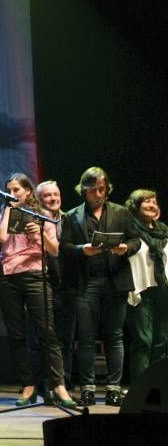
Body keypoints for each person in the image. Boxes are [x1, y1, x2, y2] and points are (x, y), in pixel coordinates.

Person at [0, 173, 76, 408]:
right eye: (9, 190)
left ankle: (58, 385)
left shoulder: (41, 215)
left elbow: (55, 250)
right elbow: (0, 238)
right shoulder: (3, 213)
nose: (13, 193)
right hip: (8, 276)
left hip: (35, 275)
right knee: (17, 334)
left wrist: (38, 234)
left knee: (46, 332)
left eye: (17, 190)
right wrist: (10, 208)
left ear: (28, 191)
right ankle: (28, 385)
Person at [61, 167, 140, 407]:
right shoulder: (72, 215)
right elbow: (64, 247)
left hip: (115, 281)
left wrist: (125, 248)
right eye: (93, 189)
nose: (98, 194)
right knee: (86, 338)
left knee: (114, 336)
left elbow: (135, 240)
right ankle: (87, 388)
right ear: (83, 190)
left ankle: (114, 389)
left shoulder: (121, 212)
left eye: (102, 189)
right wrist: (80, 249)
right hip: (87, 283)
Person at [26, 180, 76, 395]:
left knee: (66, 338)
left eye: (56, 194)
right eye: (47, 195)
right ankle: (45, 385)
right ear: (40, 199)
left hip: (69, 285)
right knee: (43, 338)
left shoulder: (70, 218)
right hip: (43, 283)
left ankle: (64, 383)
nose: (53, 198)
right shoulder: (34, 220)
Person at [124, 189, 168, 383]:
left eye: (154, 201)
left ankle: (157, 387)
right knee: (143, 341)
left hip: (163, 290)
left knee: (162, 341)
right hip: (141, 289)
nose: (152, 205)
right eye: (146, 201)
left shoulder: (163, 230)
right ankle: (140, 389)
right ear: (135, 205)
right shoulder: (130, 230)